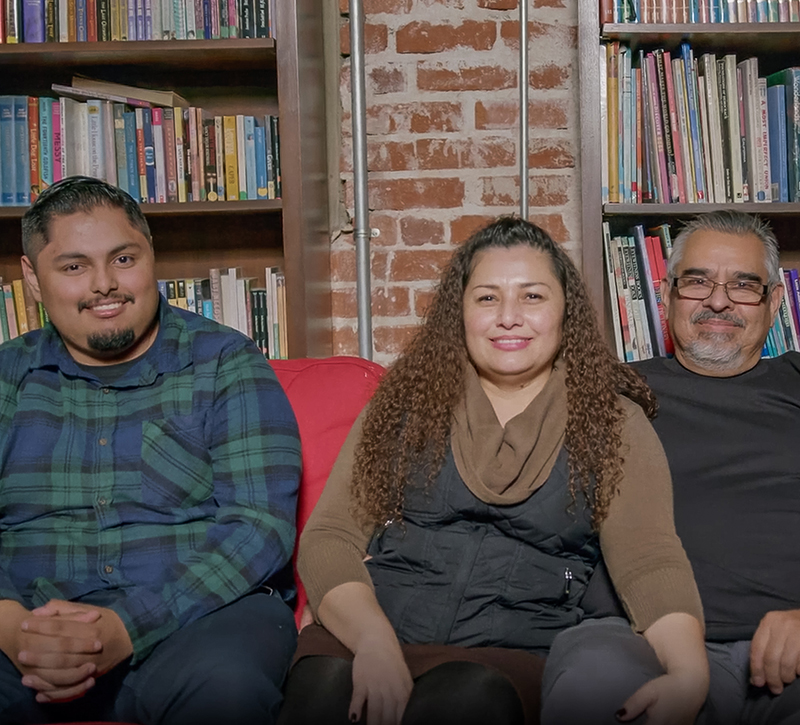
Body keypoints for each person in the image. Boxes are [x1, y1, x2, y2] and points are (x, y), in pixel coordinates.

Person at [277, 216, 708, 725]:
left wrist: (688, 676)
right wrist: (373, 642)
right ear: (458, 313)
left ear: (564, 311)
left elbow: (650, 563)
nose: (509, 316)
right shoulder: (406, 401)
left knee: (466, 702)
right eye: (486, 298)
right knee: (322, 696)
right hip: (367, 631)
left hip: (506, 654)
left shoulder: (612, 421)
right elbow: (331, 537)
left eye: (532, 296)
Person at [0, 176, 301, 725]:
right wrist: (13, 627)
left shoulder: (225, 362)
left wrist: (126, 629)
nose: (104, 284)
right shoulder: (6, 377)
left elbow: (260, 526)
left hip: (197, 619)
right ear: (33, 280)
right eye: (73, 267)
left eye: (123, 259)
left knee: (226, 687)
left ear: (151, 256)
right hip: (24, 620)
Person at [541, 209, 800, 725]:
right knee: (593, 689)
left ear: (773, 303)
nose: (719, 300)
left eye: (744, 285)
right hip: (634, 637)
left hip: (790, 657)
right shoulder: (606, 391)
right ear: (665, 295)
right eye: (697, 281)